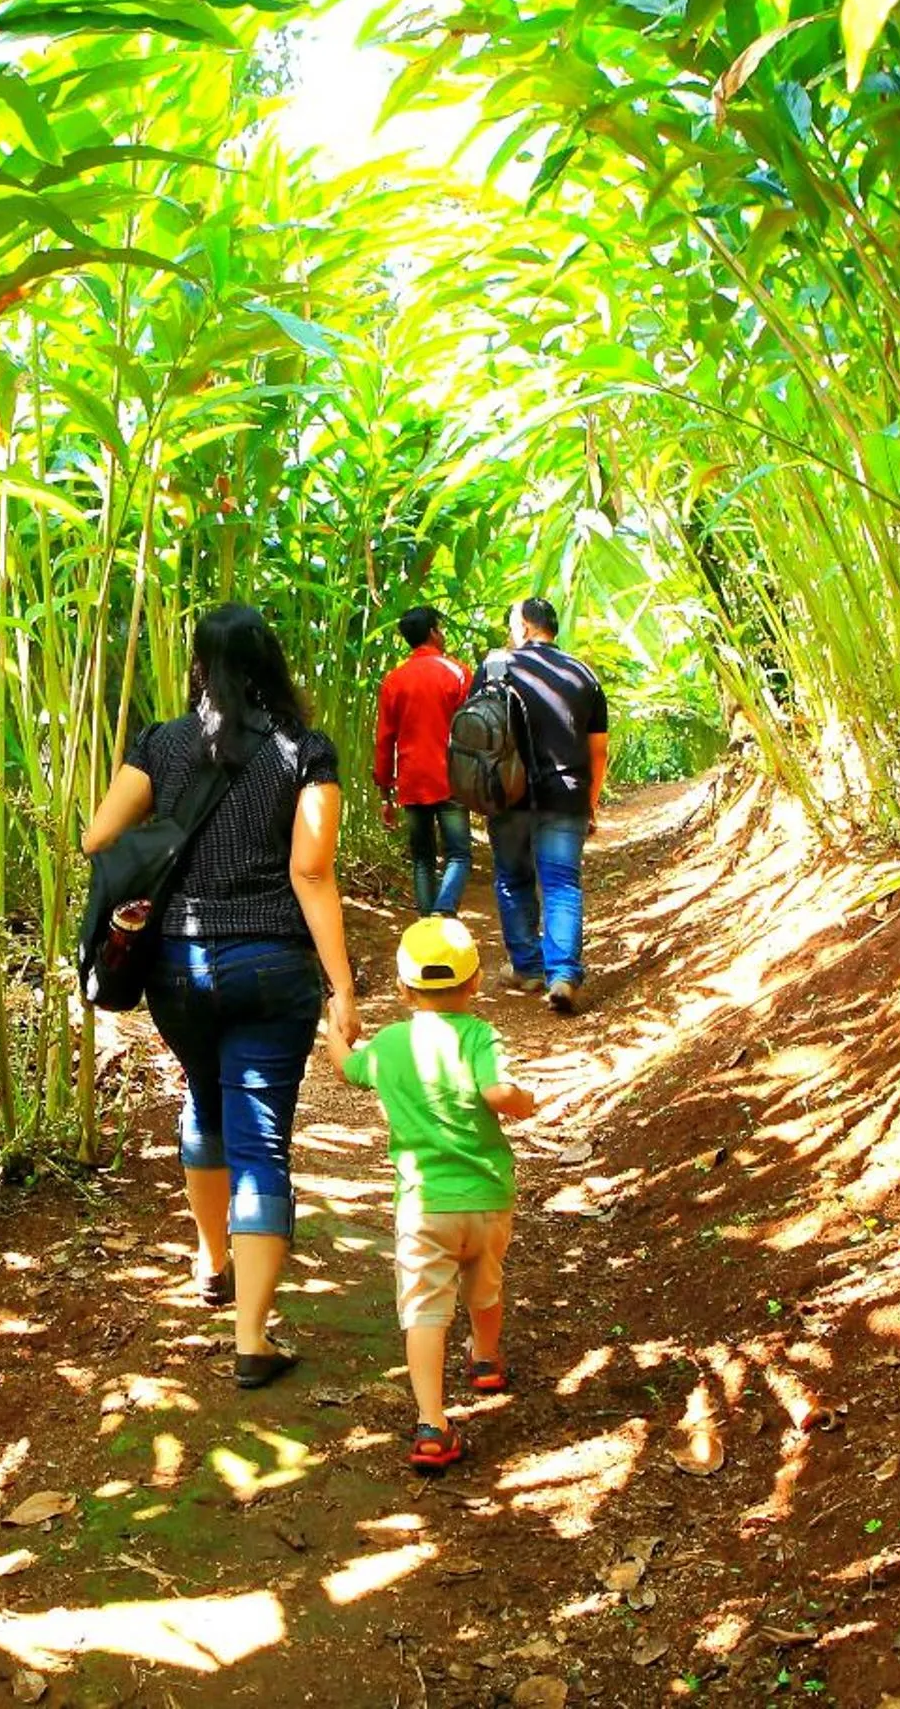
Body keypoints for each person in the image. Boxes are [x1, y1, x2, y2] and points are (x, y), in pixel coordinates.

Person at [82, 605, 360, 1390]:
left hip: (178, 966)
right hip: (272, 964)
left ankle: (212, 1263)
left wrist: (164, 839)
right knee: (261, 1137)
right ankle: (251, 1339)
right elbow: (312, 871)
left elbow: (97, 837)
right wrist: (342, 986)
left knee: (205, 1100)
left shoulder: (162, 743)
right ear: (271, 662)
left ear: (198, 664)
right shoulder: (304, 752)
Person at [322, 916, 535, 1471]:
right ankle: (486, 1360)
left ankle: (432, 1424)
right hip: (487, 1198)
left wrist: (333, 1027)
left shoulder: (391, 1044)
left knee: (424, 1311)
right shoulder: (480, 1035)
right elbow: (497, 1090)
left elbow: (347, 1068)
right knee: (485, 1286)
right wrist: (521, 1100)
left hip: (423, 1207)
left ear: (401, 989)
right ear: (475, 984)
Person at [481, 597, 609, 1013]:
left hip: (508, 794)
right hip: (566, 793)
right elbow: (599, 751)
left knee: (512, 878)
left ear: (523, 626)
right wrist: (590, 804)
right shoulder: (583, 673)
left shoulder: (497, 667)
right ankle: (564, 976)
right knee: (561, 883)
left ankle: (528, 967)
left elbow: (475, 733)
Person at [372, 606, 474, 918]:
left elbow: (384, 740)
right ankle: (443, 911)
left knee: (422, 858)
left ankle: (425, 925)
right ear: (432, 632)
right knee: (458, 854)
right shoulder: (458, 673)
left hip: (411, 780)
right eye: (441, 629)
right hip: (451, 779)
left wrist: (384, 793)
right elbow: (474, 730)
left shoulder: (394, 680)